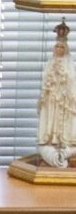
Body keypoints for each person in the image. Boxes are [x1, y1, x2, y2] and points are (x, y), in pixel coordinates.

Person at [37, 19, 76, 168]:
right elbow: (46, 79)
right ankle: (51, 143)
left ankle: (63, 145)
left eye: (62, 47)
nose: (59, 49)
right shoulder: (50, 62)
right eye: (57, 47)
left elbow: (71, 79)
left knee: (64, 120)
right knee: (51, 119)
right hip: (52, 100)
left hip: (64, 100)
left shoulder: (69, 64)